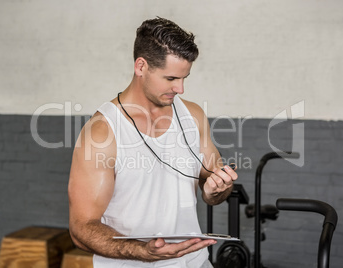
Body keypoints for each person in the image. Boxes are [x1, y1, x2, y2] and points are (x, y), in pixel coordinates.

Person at [68, 17, 238, 268]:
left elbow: (212, 189)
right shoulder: (102, 132)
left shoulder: (193, 115)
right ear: (141, 66)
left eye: (184, 78)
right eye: (170, 79)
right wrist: (144, 252)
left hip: (195, 263)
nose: (180, 89)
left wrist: (217, 190)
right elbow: (81, 228)